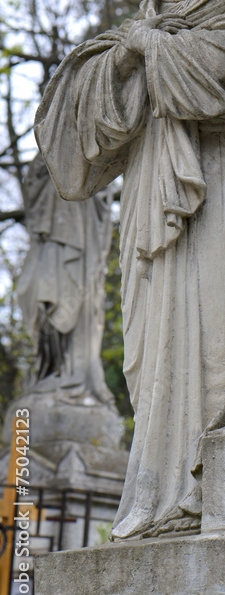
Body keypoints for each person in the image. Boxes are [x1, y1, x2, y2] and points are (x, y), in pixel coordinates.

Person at [35, 0, 225, 539]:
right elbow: (101, 105)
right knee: (151, 344)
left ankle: (214, 485)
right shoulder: (153, 8)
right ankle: (160, 487)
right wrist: (128, 54)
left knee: (219, 334)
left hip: (221, 181)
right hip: (153, 181)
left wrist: (152, 47)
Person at [17, 152, 113, 405]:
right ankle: (50, 371)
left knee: (72, 301)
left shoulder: (88, 152)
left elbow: (103, 185)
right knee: (35, 296)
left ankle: (68, 372)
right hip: (50, 239)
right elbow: (33, 185)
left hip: (78, 237)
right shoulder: (44, 158)